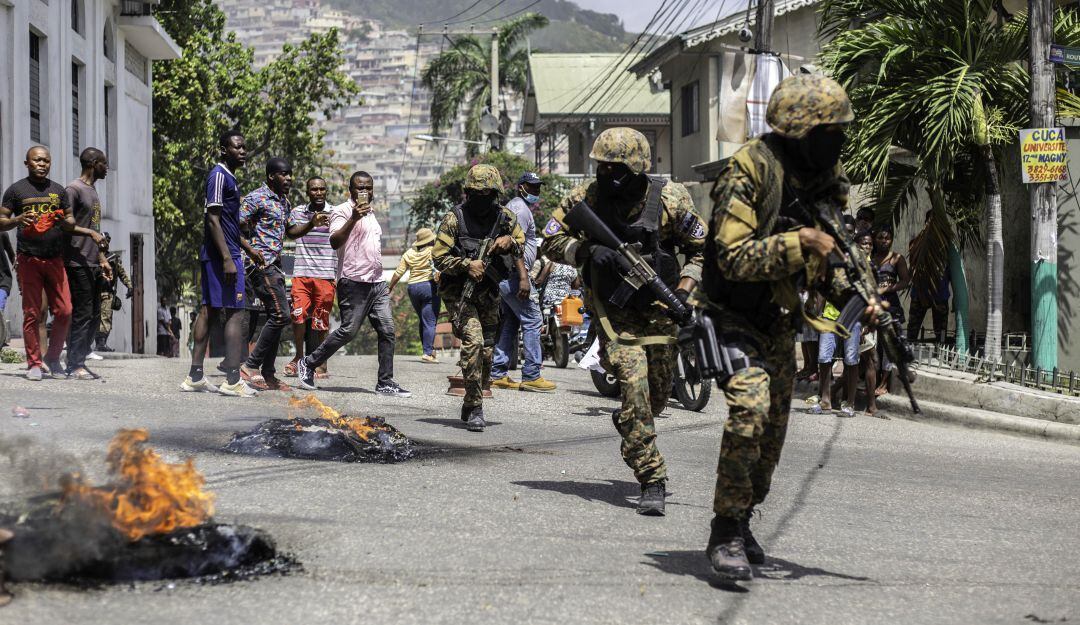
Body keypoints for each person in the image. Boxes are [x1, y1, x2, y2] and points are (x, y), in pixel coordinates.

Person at [697, 75, 885, 581]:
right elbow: (731, 258)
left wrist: (860, 298)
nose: (839, 142)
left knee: (771, 439)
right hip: (732, 316)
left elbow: (836, 254)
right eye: (831, 131)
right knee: (750, 410)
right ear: (802, 131)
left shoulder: (824, 180)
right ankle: (725, 531)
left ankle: (743, 514)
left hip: (780, 320)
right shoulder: (748, 170)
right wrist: (800, 242)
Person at [541, 127, 707, 516]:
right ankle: (652, 478)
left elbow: (702, 251)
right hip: (612, 312)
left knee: (658, 395)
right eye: (603, 168)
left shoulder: (670, 198)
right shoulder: (586, 198)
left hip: (661, 309)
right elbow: (549, 238)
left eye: (617, 170)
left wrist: (683, 292)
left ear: (638, 170)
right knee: (634, 385)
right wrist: (585, 250)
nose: (608, 177)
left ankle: (630, 420)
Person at [295, 171, 411, 397]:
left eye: (368, 188)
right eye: (360, 188)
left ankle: (385, 382)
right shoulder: (341, 211)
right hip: (353, 282)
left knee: (387, 330)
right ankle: (308, 363)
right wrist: (354, 218)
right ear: (351, 190)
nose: (364, 192)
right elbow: (334, 240)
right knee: (348, 331)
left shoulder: (372, 213)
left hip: (377, 282)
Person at [433, 164, 528, 432]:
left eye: (488, 193)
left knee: (487, 352)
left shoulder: (506, 218)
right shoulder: (455, 219)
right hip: (459, 292)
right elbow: (438, 258)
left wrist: (510, 241)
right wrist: (465, 264)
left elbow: (522, 243)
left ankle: (472, 396)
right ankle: (476, 406)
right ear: (468, 193)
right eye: (477, 193)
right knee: (473, 343)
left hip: (489, 291)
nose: (482, 198)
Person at [0, 146, 100, 380]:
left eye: (46, 161)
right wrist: (19, 219)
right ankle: (34, 362)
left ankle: (53, 359)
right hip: (29, 259)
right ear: (27, 163)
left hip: (55, 259)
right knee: (32, 313)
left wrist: (61, 219)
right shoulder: (16, 191)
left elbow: (69, 220)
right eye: (37, 161)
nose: (42, 165)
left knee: (65, 311)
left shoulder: (58, 190)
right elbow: (2, 221)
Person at [180, 130, 261, 397]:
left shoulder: (230, 178)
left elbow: (227, 224)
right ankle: (233, 380)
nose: (243, 151)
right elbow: (212, 220)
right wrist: (228, 258)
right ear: (223, 150)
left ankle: (195, 377)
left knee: (210, 311)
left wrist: (247, 247)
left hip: (228, 253)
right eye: (237, 147)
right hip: (221, 257)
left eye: (244, 147)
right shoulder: (218, 176)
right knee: (236, 312)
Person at [489, 172, 556, 393]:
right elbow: (512, 245)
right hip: (514, 275)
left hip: (508, 276)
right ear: (521, 187)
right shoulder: (519, 209)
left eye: (538, 187)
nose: (536, 191)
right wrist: (524, 277)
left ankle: (498, 373)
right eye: (532, 186)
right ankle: (531, 375)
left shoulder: (517, 207)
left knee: (510, 322)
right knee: (533, 320)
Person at [237, 157, 295, 391]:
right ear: (271, 176)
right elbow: (232, 227)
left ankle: (269, 375)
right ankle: (250, 366)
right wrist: (251, 250)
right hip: (260, 265)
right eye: (284, 174)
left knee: (276, 316)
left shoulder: (283, 201)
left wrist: (312, 223)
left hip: (276, 265)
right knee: (282, 315)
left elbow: (291, 230)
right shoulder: (256, 198)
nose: (289, 178)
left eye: (290, 174)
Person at [62, 147, 113, 379]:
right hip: (76, 261)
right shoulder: (73, 189)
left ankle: (80, 359)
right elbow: (65, 224)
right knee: (82, 314)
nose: (107, 167)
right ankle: (74, 364)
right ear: (93, 163)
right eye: (103, 163)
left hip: (92, 261)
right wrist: (91, 235)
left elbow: (95, 228)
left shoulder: (92, 191)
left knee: (94, 313)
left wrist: (102, 259)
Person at [284, 177, 334, 378]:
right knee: (297, 316)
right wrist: (311, 223)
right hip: (302, 273)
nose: (319, 193)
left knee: (321, 320)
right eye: (314, 190)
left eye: (322, 189)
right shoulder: (297, 212)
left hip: (326, 274)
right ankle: (299, 357)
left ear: (326, 191)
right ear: (307, 192)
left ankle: (321, 361)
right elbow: (292, 234)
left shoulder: (335, 213)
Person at [388, 227, 441, 363]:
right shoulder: (433, 251)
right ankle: (427, 353)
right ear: (430, 240)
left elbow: (398, 273)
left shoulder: (408, 253)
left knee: (423, 319)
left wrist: (390, 287)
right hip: (428, 287)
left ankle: (429, 349)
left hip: (413, 288)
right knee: (430, 321)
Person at [95, 233, 132, 352]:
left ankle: (101, 343)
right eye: (102, 240)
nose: (104, 243)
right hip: (93, 292)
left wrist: (130, 287)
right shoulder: (93, 256)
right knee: (94, 318)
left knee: (105, 317)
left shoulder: (113, 258)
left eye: (106, 241)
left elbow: (122, 273)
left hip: (107, 293)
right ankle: (96, 343)